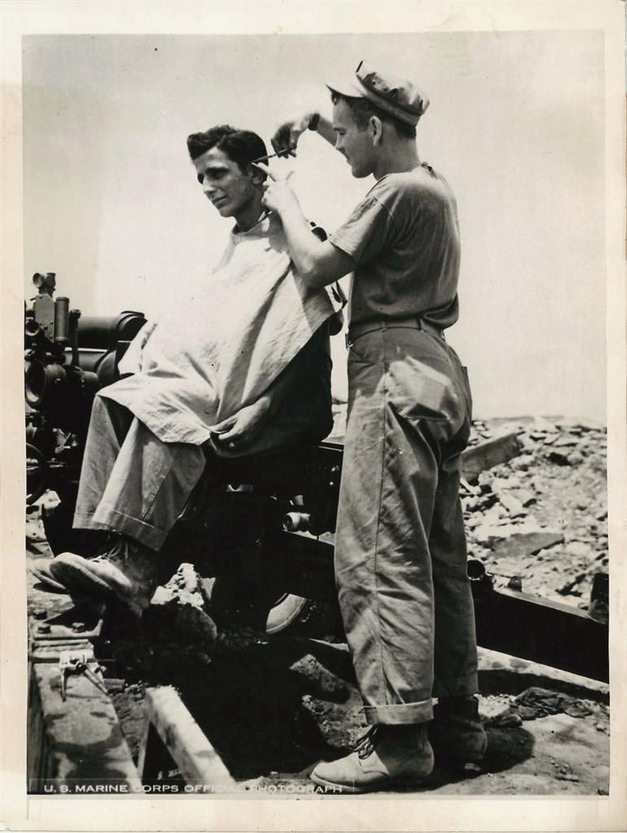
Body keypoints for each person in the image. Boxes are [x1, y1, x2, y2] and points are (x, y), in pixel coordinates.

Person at [260, 61, 487, 792]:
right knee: (437, 564)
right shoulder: (432, 184)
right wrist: (311, 123)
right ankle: (456, 726)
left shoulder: (393, 191)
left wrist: (282, 194)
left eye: (345, 133)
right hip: (435, 372)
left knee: (379, 557)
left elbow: (316, 264)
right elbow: (354, 136)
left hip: (392, 373)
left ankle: (398, 741)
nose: (340, 146)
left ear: (377, 128)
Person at [47, 125, 340, 614]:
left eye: (218, 174)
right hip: (223, 390)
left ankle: (138, 570)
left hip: (281, 405)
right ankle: (107, 553)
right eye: (201, 177)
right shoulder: (239, 243)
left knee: (164, 409)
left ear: (257, 173)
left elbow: (307, 338)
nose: (207, 187)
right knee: (110, 401)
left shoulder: (297, 237)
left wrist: (264, 408)